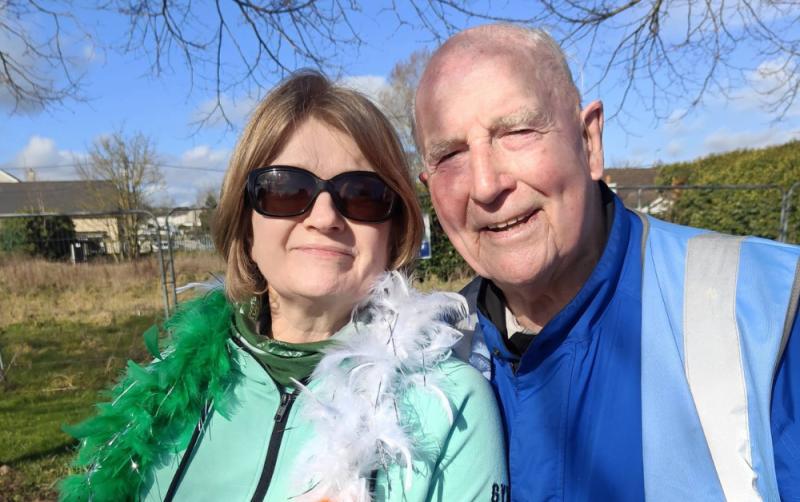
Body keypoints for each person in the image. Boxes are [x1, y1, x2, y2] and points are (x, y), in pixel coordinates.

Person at [60, 71, 507, 501]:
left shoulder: (450, 406)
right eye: (285, 190)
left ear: (394, 231)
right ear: (246, 224)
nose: (325, 217)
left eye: (361, 195)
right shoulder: (167, 391)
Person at [414, 23, 800, 501]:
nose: (487, 185)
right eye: (450, 154)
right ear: (427, 184)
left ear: (589, 142)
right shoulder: (424, 360)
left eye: (516, 131)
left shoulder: (770, 310)